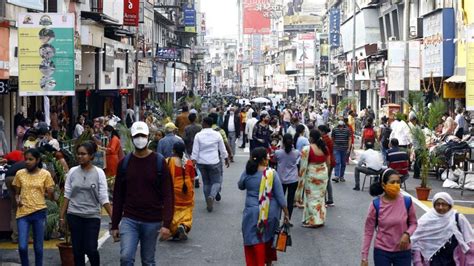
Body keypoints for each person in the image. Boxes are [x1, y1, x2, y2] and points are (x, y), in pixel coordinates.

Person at [111, 122, 174, 265]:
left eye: (143, 135)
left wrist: (167, 224)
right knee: (126, 257)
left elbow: (168, 195)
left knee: (148, 261)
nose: (140, 139)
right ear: (132, 138)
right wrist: (115, 225)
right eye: (137, 136)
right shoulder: (124, 164)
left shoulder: (159, 162)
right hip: (129, 219)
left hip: (152, 221)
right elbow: (118, 196)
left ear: (148, 137)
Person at [60, 141, 113, 266]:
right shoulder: (72, 172)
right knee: (77, 251)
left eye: (83, 154)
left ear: (91, 156)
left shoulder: (99, 172)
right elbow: (67, 194)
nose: (80, 157)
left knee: (91, 249)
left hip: (92, 216)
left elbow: (103, 197)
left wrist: (113, 217)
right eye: (78, 154)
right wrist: (61, 217)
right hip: (74, 215)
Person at [238, 147, 290, 266]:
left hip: (251, 212)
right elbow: (280, 196)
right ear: (263, 159)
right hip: (269, 213)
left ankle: (256, 263)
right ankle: (268, 262)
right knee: (268, 238)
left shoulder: (248, 172)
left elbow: (240, 185)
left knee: (253, 240)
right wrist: (286, 213)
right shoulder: (272, 173)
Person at [361, 168, 417, 266]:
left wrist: (407, 234)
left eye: (398, 182)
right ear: (384, 185)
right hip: (382, 252)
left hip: (403, 251)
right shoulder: (376, 205)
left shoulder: (407, 202)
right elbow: (368, 232)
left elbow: (413, 223)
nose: (396, 185)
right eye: (392, 182)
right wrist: (364, 257)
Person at [13, 148, 55, 266]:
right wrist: (17, 199)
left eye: (30, 159)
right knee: (22, 246)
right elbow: (17, 193)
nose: (27, 162)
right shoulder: (19, 173)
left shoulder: (45, 174)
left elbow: (51, 198)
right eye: (26, 159)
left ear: (37, 160)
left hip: (39, 212)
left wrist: (51, 192)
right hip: (23, 213)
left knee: (38, 248)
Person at [411, 192, 474, 265]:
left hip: (453, 261)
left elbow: (469, 241)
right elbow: (417, 242)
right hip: (432, 261)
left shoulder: (458, 218)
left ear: (449, 205)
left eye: (444, 204)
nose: (440, 207)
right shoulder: (426, 220)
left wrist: (471, 262)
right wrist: (418, 262)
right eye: (438, 204)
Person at [191, 116, 229, 212]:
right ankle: (212, 197)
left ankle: (207, 199)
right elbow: (222, 148)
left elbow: (195, 150)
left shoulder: (198, 135)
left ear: (205, 124)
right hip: (214, 161)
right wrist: (226, 158)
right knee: (216, 181)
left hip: (202, 162)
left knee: (206, 182)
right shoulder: (217, 134)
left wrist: (193, 161)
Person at [295, 129, 330, 228]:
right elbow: (329, 163)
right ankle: (320, 219)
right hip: (323, 174)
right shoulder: (324, 148)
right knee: (320, 199)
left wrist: (300, 178)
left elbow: (303, 166)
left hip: (312, 176)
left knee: (311, 199)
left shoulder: (307, 149)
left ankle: (313, 221)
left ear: (311, 137)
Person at [167, 142, 195, 240]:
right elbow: (192, 179)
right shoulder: (189, 162)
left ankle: (175, 230)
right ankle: (183, 225)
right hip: (186, 190)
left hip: (174, 190)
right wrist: (191, 192)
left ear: (173, 150)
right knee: (187, 211)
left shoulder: (168, 161)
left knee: (174, 211)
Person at [275, 134, 301, 222]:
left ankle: (277, 218)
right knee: (290, 201)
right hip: (293, 179)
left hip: (281, 180)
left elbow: (274, 161)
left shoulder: (278, 153)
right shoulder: (297, 153)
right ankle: (287, 219)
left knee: (279, 200)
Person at [318, 125, 335, 207]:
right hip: (331, 160)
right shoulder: (328, 138)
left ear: (322, 131)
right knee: (327, 181)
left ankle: (324, 200)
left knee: (324, 180)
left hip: (327, 161)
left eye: (319, 130)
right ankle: (330, 199)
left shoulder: (324, 140)